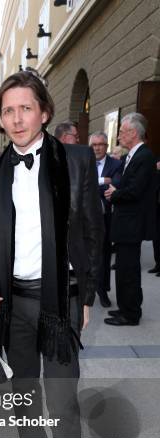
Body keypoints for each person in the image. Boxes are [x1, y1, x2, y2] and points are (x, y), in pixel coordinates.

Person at [0, 70, 102, 438]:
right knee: (22, 386)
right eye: (8, 110)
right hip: (13, 300)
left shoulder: (74, 160)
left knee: (62, 399)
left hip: (61, 299)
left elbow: (93, 231)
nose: (16, 118)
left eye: (25, 108)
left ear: (44, 112)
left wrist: (88, 297)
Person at [104, 113, 157, 325]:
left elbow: (135, 190)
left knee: (129, 271)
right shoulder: (132, 155)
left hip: (132, 224)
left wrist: (114, 193)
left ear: (133, 133)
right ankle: (125, 307)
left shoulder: (144, 156)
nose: (118, 136)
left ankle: (131, 313)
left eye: (122, 132)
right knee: (124, 269)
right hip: (126, 223)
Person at [89, 131, 122, 307]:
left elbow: (116, 181)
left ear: (106, 146)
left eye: (100, 144)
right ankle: (85, 292)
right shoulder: (84, 161)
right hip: (84, 219)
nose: (97, 148)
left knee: (103, 256)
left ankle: (102, 291)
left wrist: (94, 182)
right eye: (94, 145)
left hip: (105, 218)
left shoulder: (115, 163)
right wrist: (103, 180)